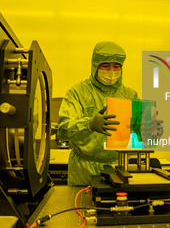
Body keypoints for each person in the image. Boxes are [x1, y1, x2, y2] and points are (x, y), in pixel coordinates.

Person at [57, 41, 140, 186]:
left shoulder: (130, 94)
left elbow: (137, 134)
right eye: (106, 66)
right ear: (95, 66)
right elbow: (63, 130)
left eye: (116, 66)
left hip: (118, 167)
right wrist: (89, 124)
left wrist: (149, 130)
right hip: (83, 168)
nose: (111, 71)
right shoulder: (77, 92)